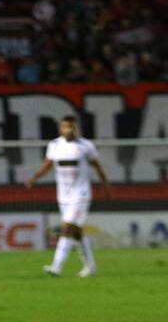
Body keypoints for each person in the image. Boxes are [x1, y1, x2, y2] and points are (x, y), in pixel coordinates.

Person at [26, 116, 112, 277]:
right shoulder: (55, 145)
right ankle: (90, 266)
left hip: (81, 194)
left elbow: (98, 166)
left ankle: (56, 266)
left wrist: (107, 187)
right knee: (77, 232)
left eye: (72, 127)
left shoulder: (86, 146)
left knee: (67, 228)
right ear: (61, 128)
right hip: (63, 196)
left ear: (76, 128)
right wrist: (34, 178)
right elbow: (48, 165)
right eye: (66, 127)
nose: (69, 130)